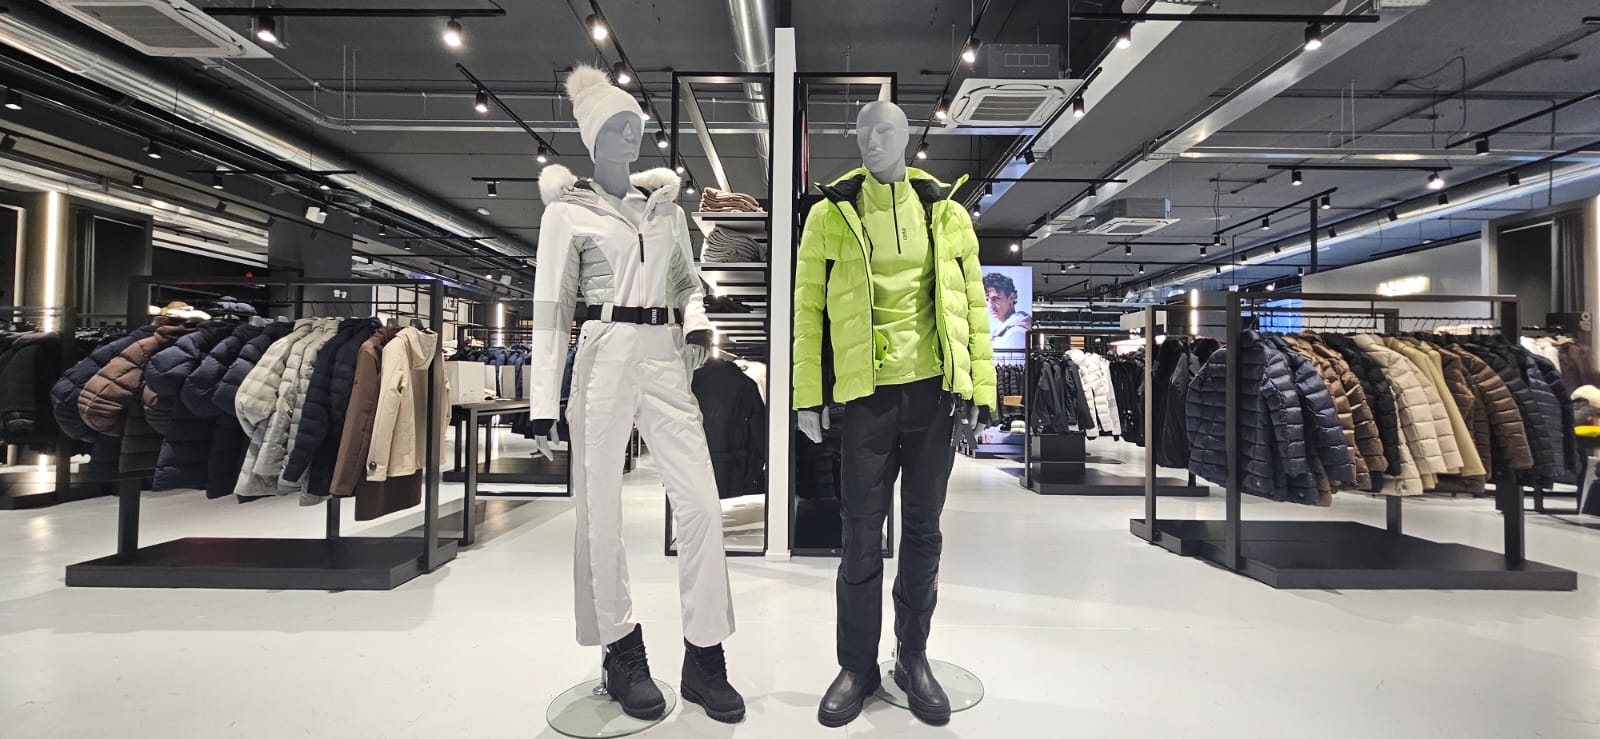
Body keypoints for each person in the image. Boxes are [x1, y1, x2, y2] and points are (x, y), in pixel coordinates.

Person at [984, 272, 1031, 349]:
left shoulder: (1016, 334)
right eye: (987, 299)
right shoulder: (1003, 331)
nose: (990, 305)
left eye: (996, 299)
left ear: (1011, 297)